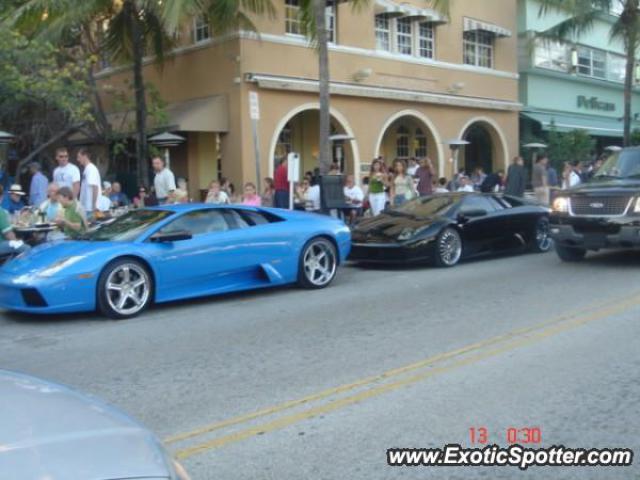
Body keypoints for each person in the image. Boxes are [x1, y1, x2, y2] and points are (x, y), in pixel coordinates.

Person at [76, 148, 101, 218]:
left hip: (90, 208)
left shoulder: (91, 169)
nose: (78, 159)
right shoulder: (87, 169)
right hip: (86, 207)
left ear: (85, 156)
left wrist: (94, 205)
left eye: (79, 157)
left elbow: (95, 187)